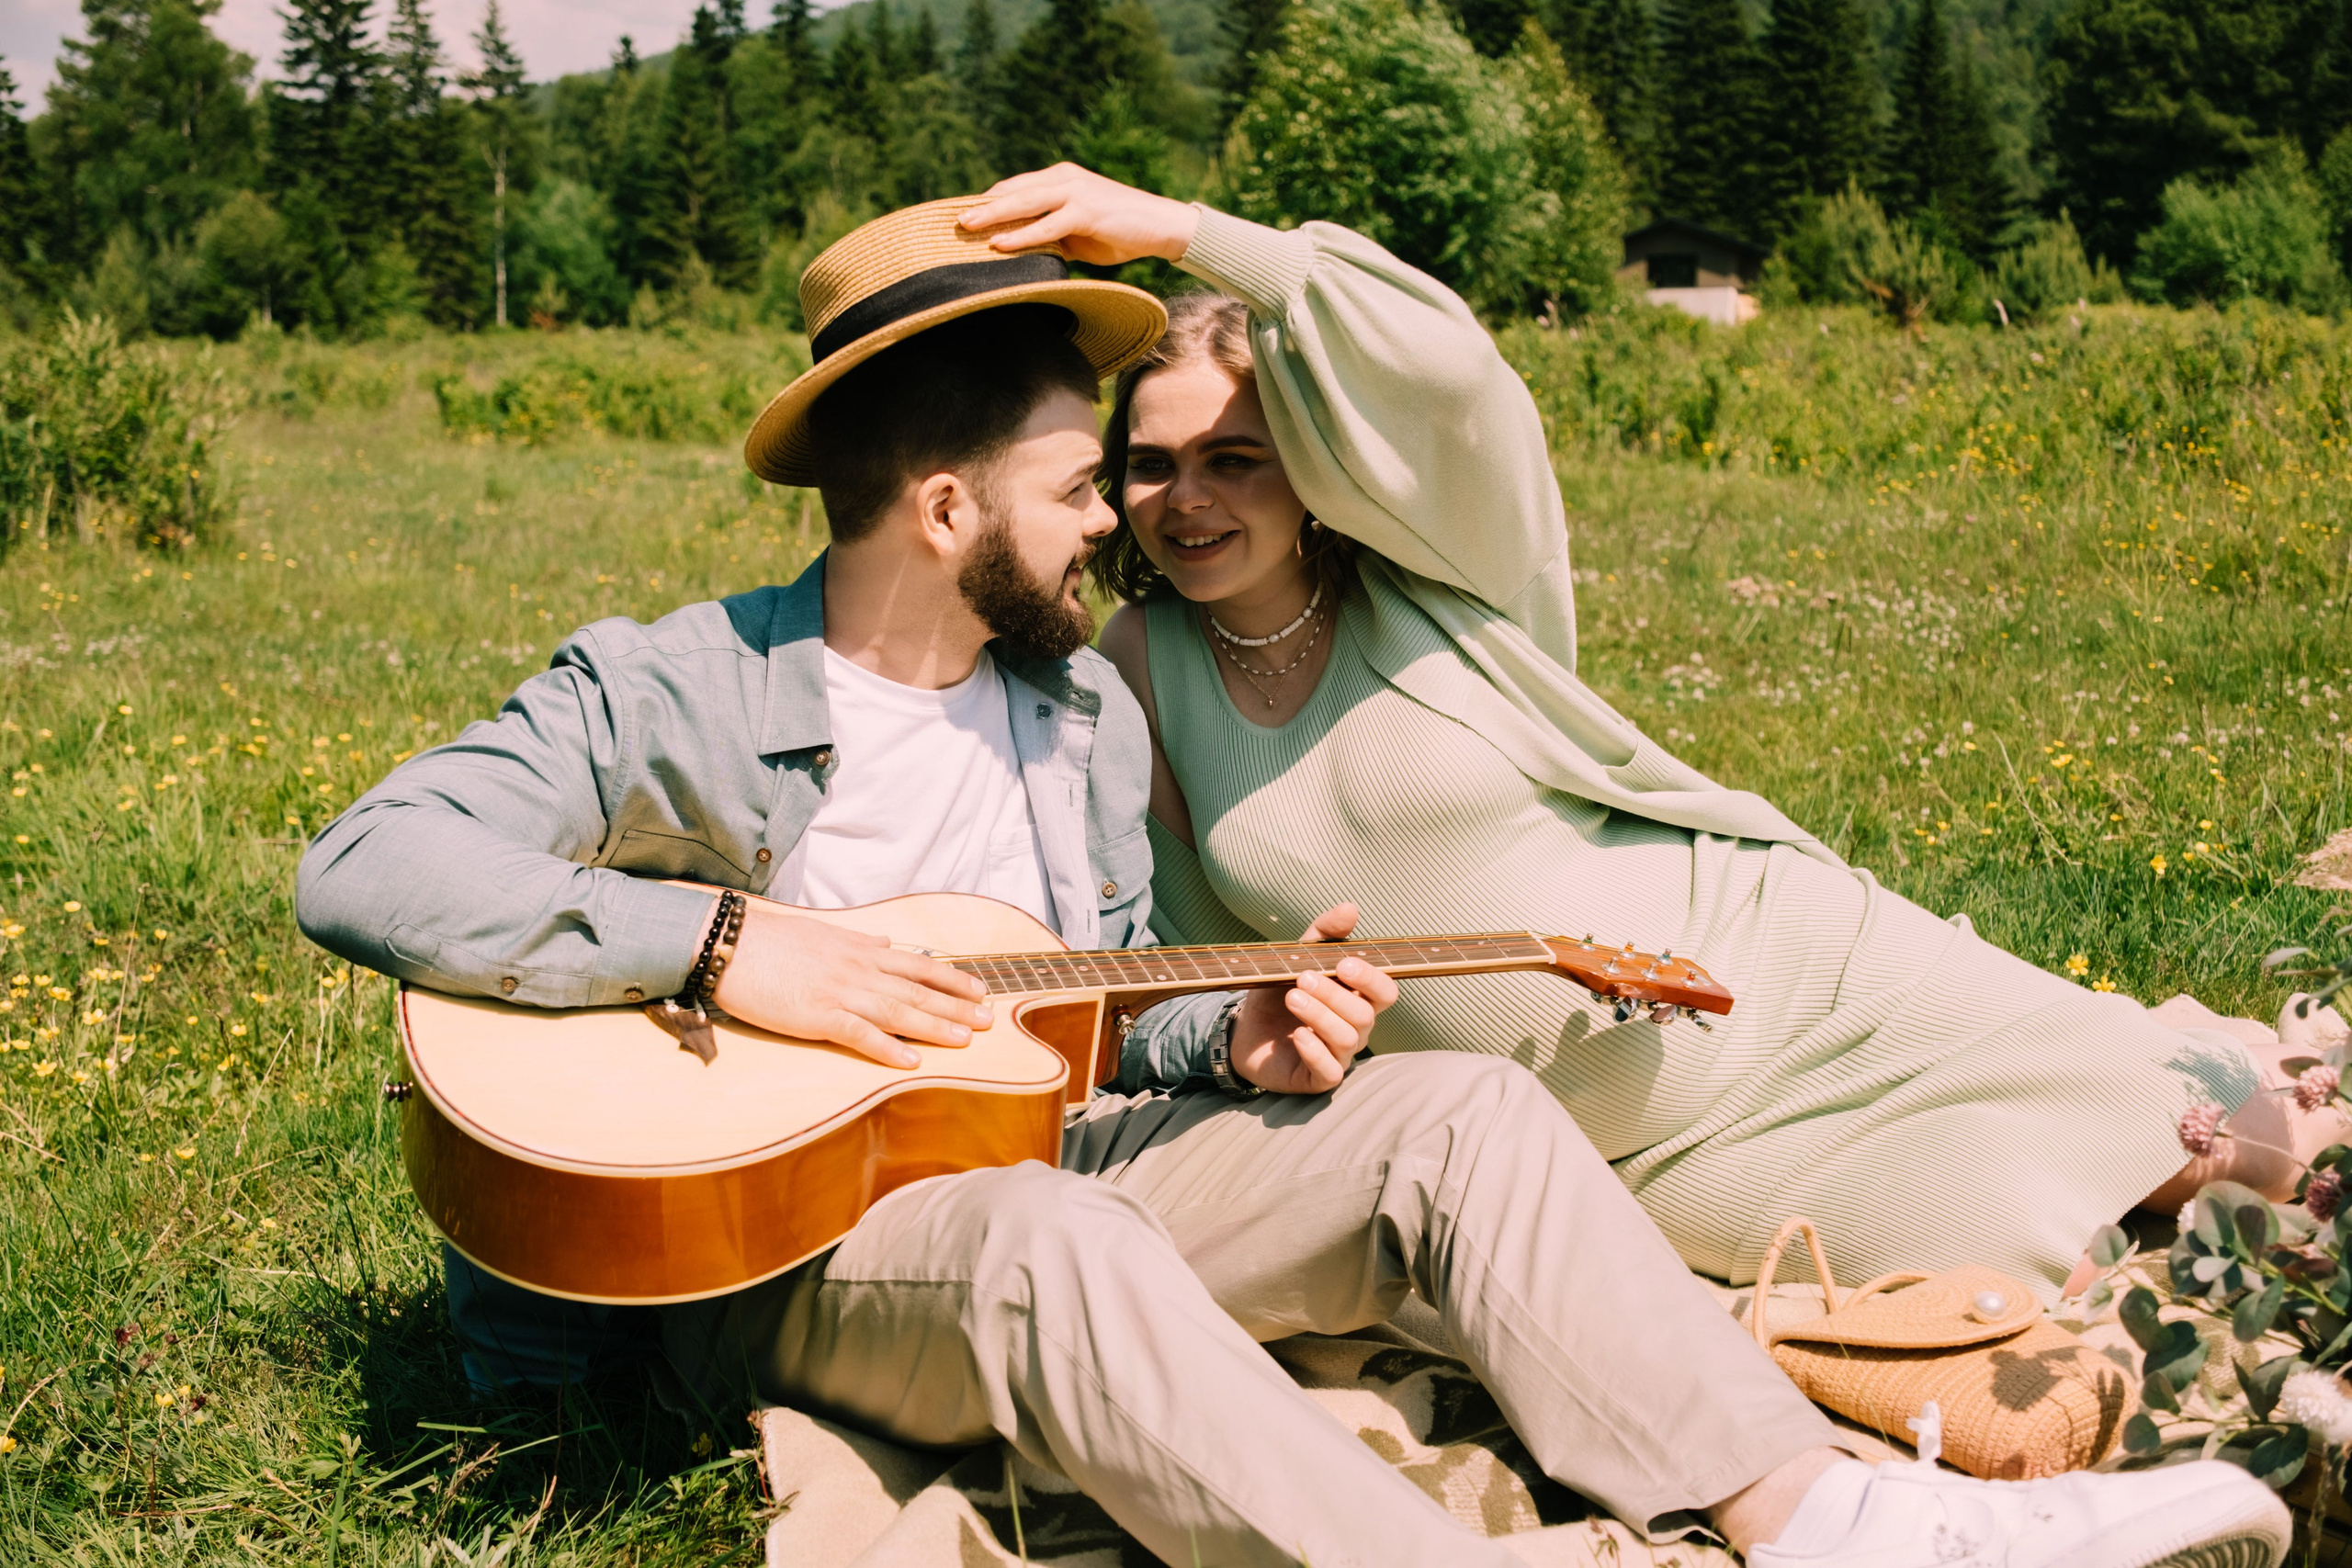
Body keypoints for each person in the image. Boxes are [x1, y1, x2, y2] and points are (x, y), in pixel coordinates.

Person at [297, 195, 2289, 1568]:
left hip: (1065, 1153)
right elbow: (369, 857)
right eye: (1086, 483)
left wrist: (1225, 1027)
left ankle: (1833, 1516)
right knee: (1047, 1250)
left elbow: (1079, 1001)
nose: (1121, 524)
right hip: (789, 1244)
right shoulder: (677, 686)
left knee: (1462, 1116)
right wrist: (738, 950)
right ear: (938, 504)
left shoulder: (1073, 712)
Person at [956, 164, 2348, 1304]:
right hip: (1636, 1159)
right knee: (1956, 1267)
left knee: (2214, 1145)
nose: (1185, 499)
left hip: (1801, 984)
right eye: (1151, 463)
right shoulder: (1132, 673)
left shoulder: (1442, 578)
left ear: (1314, 473)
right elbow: (1200, 952)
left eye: (1233, 457)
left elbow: (1453, 381)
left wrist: (1189, 235)